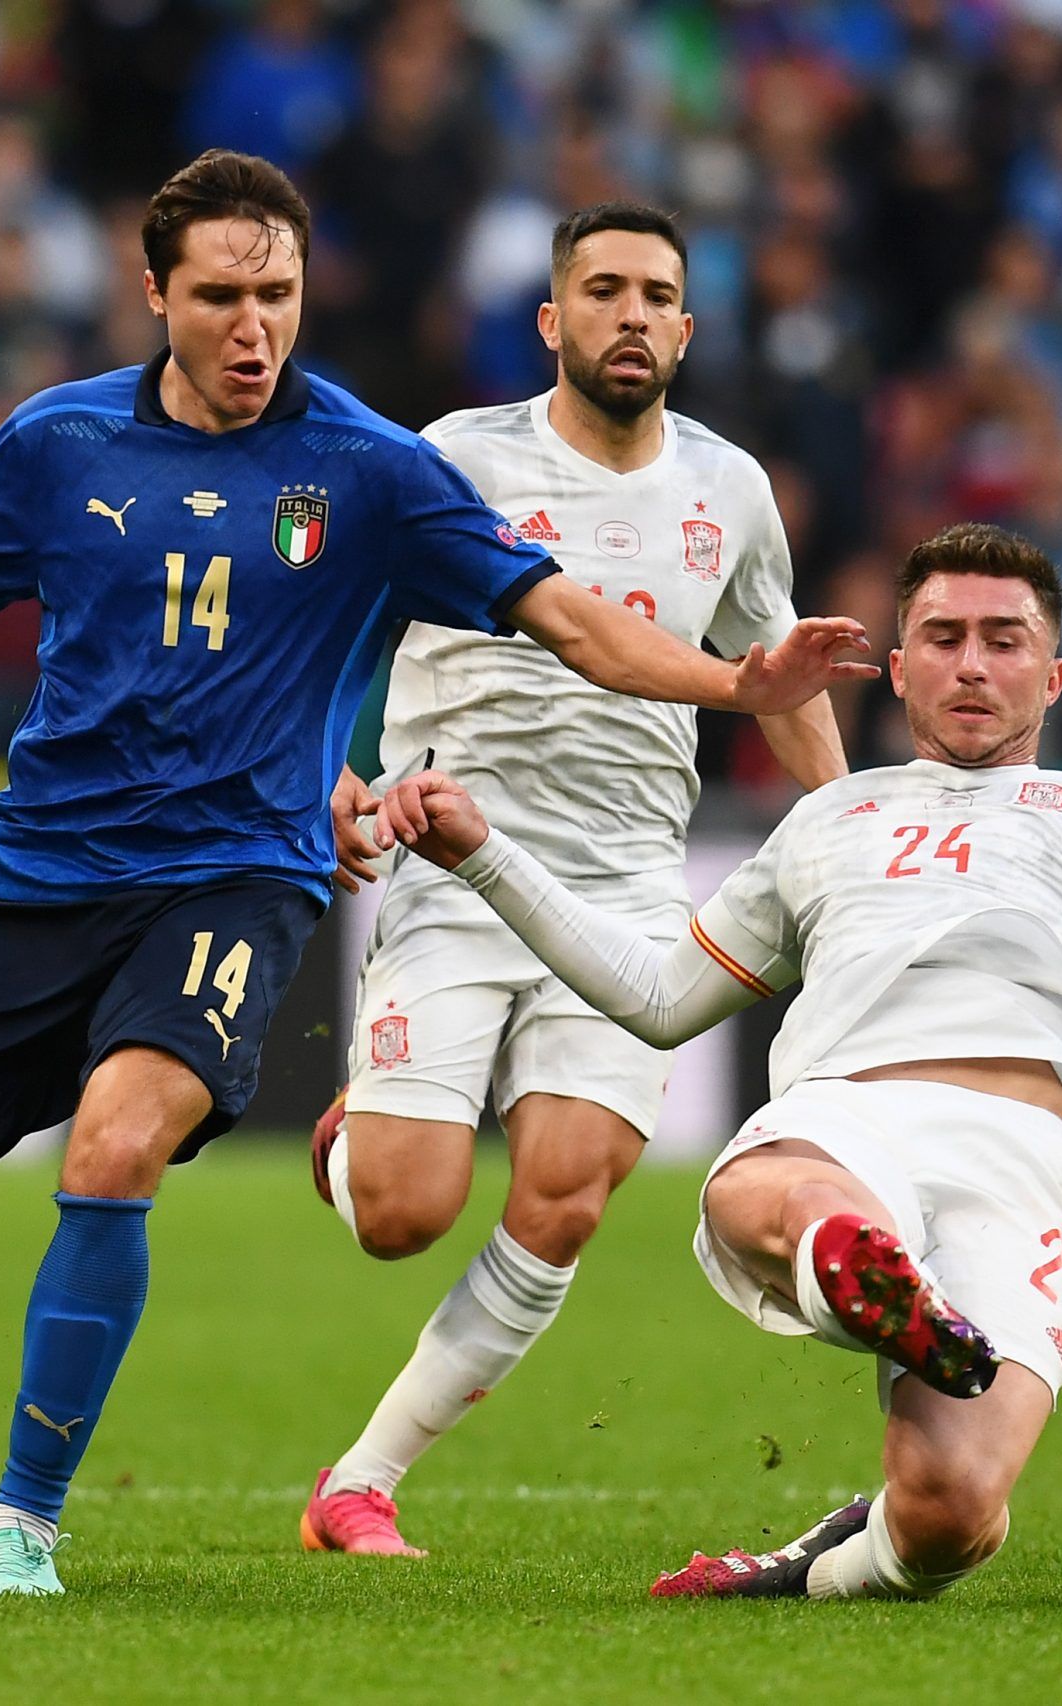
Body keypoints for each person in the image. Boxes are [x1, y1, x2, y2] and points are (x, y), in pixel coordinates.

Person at [0, 150, 873, 1598]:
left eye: (281, 296)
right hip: (42, 877)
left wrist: (744, 689)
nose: (255, 329)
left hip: (238, 877)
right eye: (224, 298)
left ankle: (24, 1524)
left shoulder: (373, 469)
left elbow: (584, 631)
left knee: (117, 1152)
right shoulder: (59, 442)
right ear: (156, 296)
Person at [368, 522, 1062, 1601]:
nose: (973, 663)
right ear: (897, 669)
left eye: (1004, 639)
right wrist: (486, 853)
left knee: (949, 1517)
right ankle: (849, 1254)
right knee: (785, 1189)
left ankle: (819, 1564)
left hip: (1026, 1163)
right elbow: (659, 1000)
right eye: (942, 636)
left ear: (1054, 673)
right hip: (848, 1125)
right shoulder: (827, 819)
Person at [299, 202, 848, 1557]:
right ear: (553, 321)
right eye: (601, 290)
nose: (631, 314)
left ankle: (358, 1483)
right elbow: (330, 628)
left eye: (657, 293)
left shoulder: (730, 490)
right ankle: (357, 1140)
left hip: (621, 886)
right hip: (449, 852)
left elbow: (777, 678)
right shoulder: (453, 459)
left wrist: (851, 847)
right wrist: (328, 779)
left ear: (688, 326)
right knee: (403, 1215)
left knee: (566, 1191)